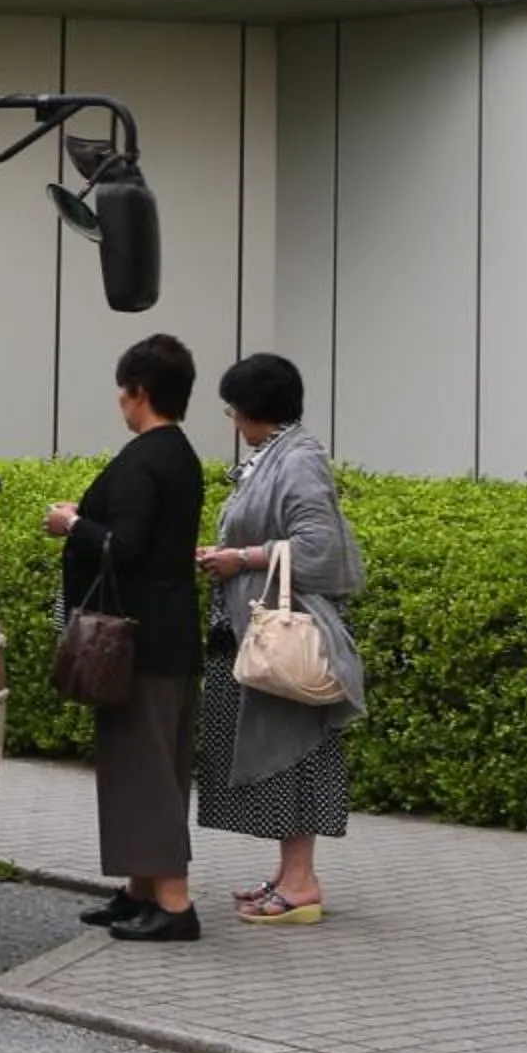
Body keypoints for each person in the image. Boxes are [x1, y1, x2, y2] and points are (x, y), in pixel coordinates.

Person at [42, 333, 208, 943]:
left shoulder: (144, 459)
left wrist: (73, 524)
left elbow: (125, 547)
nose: (120, 401)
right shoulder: (181, 455)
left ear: (139, 392)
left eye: (123, 390)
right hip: (170, 635)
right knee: (156, 762)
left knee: (145, 770)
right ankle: (140, 890)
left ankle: (174, 901)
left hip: (134, 641)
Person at [196, 352, 367, 925]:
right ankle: (288, 872)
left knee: (292, 751)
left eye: (232, 408)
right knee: (273, 748)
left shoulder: (298, 460)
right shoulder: (277, 454)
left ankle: (300, 883)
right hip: (255, 630)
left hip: (280, 635)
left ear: (250, 410)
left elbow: (320, 549)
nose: (231, 420)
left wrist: (238, 558)